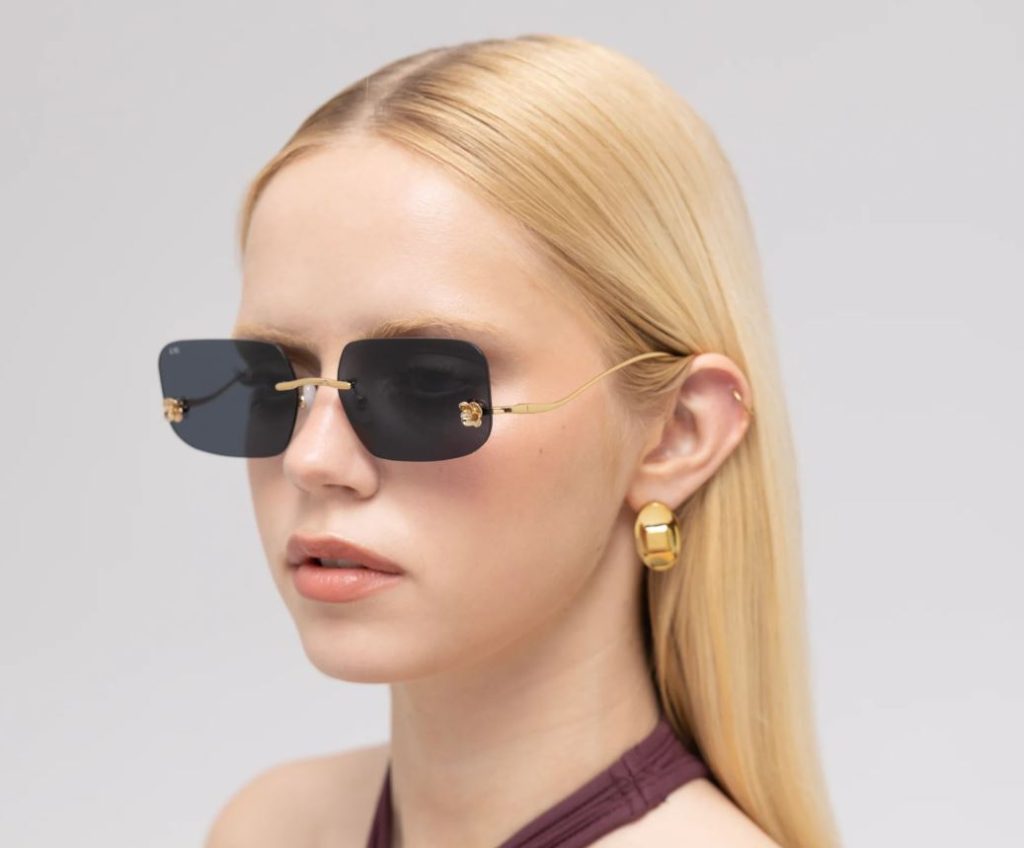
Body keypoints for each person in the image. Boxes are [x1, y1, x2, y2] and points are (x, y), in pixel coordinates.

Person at [184, 33, 839, 847]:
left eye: (428, 384)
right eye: (271, 378)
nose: (312, 460)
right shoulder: (274, 828)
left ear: (676, 434)